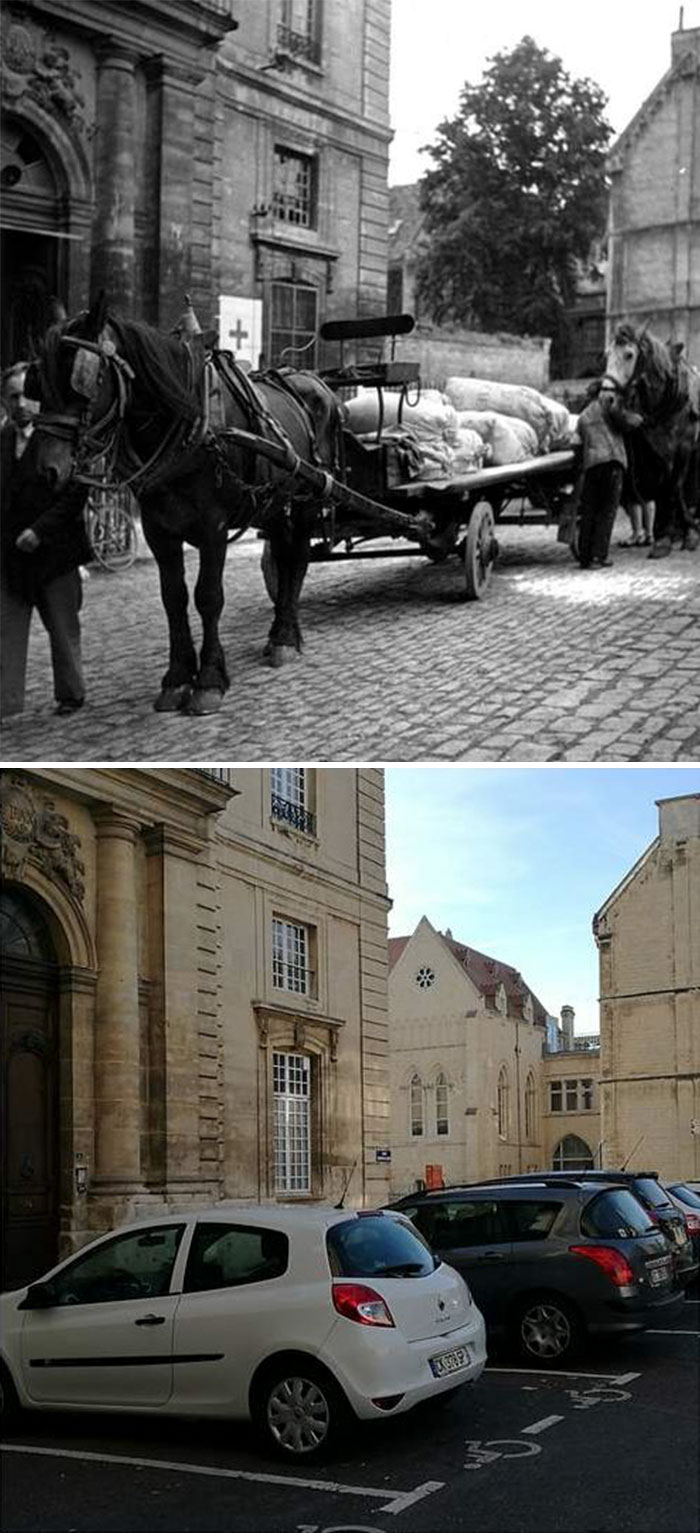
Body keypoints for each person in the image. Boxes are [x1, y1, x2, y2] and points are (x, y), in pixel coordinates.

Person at [0, 361, 92, 719]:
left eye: (26, 395)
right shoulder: (3, 440)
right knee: (6, 627)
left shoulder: (58, 439)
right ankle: (6, 703)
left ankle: (71, 694)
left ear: (39, 400)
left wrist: (40, 530)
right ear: (4, 402)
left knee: (62, 626)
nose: (21, 403)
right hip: (10, 553)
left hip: (56, 551)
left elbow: (74, 495)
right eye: (12, 397)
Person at [575, 380, 643, 569]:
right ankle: (599, 556)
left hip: (591, 465)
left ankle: (585, 557)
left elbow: (577, 440)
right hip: (612, 464)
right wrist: (640, 416)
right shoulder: (612, 410)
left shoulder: (584, 415)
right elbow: (631, 423)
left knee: (589, 511)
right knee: (606, 512)